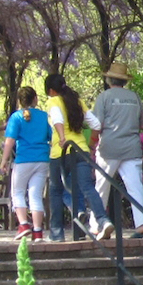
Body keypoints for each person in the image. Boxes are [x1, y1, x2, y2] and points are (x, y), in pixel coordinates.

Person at [44, 73, 115, 242]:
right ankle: (103, 220)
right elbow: (96, 124)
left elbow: (57, 119)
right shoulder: (76, 102)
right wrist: (91, 144)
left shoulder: (53, 101)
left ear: (51, 90)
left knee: (56, 190)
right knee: (87, 188)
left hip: (60, 153)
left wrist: (62, 137)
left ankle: (56, 233)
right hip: (81, 150)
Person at [89, 62, 143, 240]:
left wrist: (92, 144)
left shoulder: (104, 97)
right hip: (132, 147)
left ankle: (97, 224)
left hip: (109, 148)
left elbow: (96, 124)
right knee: (135, 187)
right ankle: (141, 226)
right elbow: (142, 124)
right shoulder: (134, 97)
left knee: (101, 186)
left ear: (109, 79)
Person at [0, 86, 52, 241]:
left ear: (19, 101)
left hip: (23, 160)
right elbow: (51, 136)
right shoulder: (43, 116)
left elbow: (10, 141)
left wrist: (4, 160)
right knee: (35, 195)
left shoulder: (16, 117)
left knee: (17, 193)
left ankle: (23, 225)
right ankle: (37, 231)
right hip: (42, 160)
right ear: (35, 99)